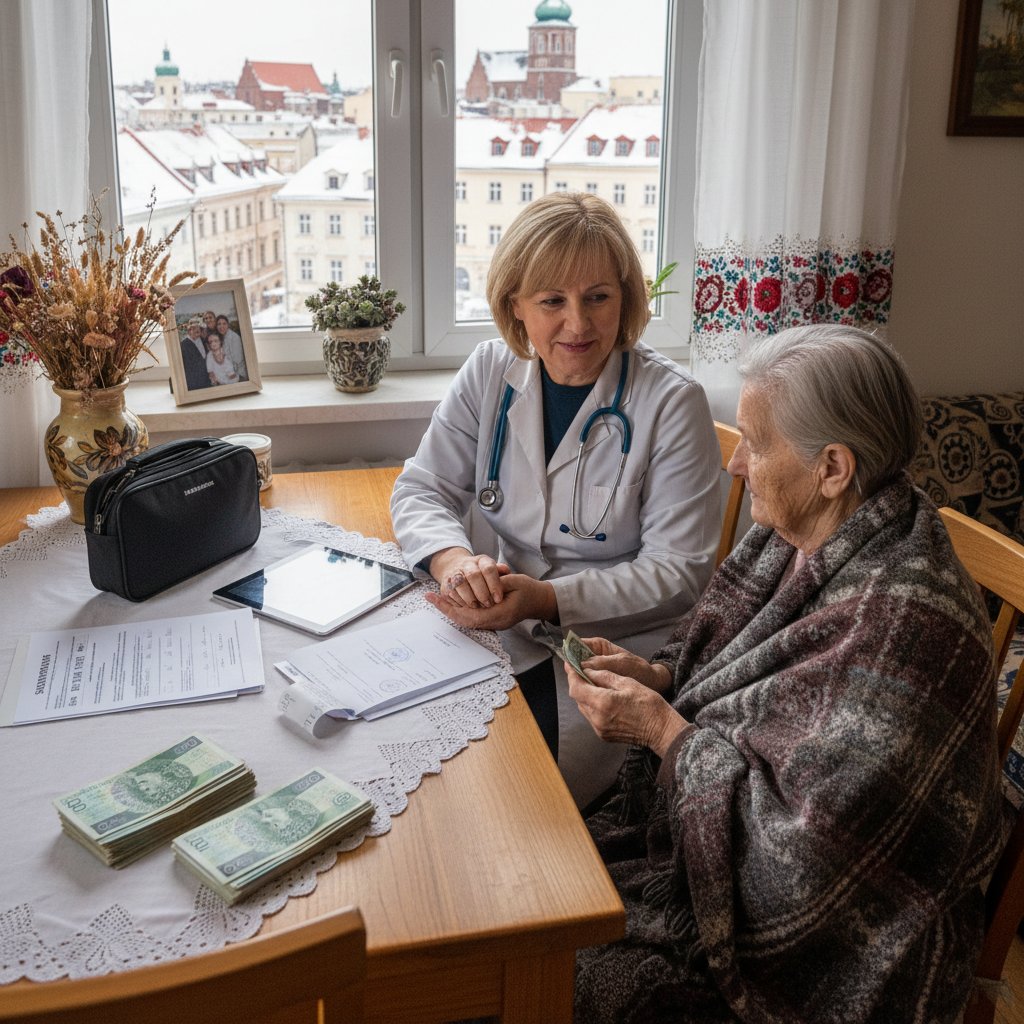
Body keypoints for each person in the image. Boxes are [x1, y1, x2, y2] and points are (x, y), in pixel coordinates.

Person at [565, 324, 1004, 1023]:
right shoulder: (806, 532)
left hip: (838, 944)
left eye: (755, 443)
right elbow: (727, 668)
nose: (736, 465)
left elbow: (803, 870)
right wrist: (656, 675)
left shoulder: (910, 629)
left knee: (548, 957)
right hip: (705, 851)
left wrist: (663, 733)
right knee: (533, 872)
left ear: (832, 467)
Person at [390, 193, 720, 809]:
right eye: (552, 301)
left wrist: (545, 599)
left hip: (612, 650)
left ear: (625, 299)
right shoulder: (491, 371)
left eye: (598, 297)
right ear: (515, 305)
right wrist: (454, 563)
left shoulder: (672, 403)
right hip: (496, 627)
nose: (578, 324)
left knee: (512, 798)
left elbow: (680, 574)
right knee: (417, 756)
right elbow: (422, 487)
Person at [179, 316, 210, 390]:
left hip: (206, 380)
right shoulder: (184, 345)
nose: (197, 330)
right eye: (193, 328)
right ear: (189, 331)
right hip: (193, 383)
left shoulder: (203, 340)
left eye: (198, 328)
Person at [215, 314, 248, 380]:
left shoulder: (234, 337)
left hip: (238, 374)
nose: (221, 326)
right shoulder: (222, 337)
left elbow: (238, 360)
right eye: (219, 324)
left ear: (228, 325)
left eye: (224, 324)